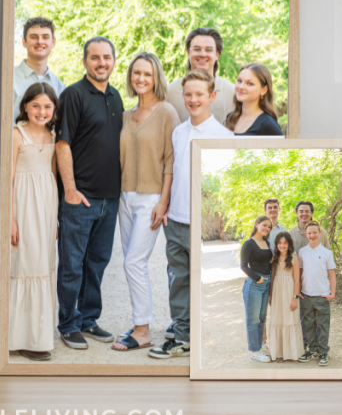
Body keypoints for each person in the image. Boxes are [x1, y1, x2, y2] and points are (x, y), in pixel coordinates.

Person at [150, 69, 234, 359]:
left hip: (201, 224)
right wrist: (163, 204)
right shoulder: (179, 131)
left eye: (200, 94)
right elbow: (171, 171)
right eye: (188, 94)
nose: (193, 99)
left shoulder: (223, 136)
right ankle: (183, 337)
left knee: (204, 282)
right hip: (176, 221)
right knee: (178, 281)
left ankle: (208, 336)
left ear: (211, 96)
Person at [55, 36, 123, 350]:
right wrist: (69, 190)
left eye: (106, 57)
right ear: (85, 62)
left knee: (97, 262)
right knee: (72, 264)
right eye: (94, 58)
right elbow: (63, 144)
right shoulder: (73, 95)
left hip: (110, 198)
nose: (101, 63)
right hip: (80, 198)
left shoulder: (116, 97)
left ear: (113, 60)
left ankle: (88, 319)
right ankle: (68, 323)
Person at [112, 52, 179, 352]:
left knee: (133, 262)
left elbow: (171, 160)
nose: (140, 78)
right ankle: (140, 323)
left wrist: (163, 201)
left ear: (156, 78)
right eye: (136, 73)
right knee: (131, 263)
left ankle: (142, 330)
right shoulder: (126, 115)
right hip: (125, 197)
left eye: (147, 74)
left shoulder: (167, 112)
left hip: (151, 197)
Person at [8, 83, 60, 361]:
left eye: (47, 106)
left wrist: (56, 217)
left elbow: (52, 174)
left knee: (44, 265)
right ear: (25, 106)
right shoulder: (17, 134)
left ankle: (40, 333)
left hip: (46, 205)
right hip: (23, 203)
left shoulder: (53, 134)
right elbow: (9, 177)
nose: (41, 111)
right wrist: (10, 219)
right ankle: (21, 337)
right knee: (25, 264)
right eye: (36, 105)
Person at [165, 27, 236, 124]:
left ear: (217, 54)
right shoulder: (169, 93)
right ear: (188, 53)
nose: (203, 54)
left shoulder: (233, 94)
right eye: (197, 49)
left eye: (208, 50)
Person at [297, 221, 336, 366]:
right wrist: (299, 291)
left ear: (320, 233)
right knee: (308, 325)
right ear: (306, 235)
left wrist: (332, 294)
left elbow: (332, 275)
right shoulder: (302, 252)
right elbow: (300, 273)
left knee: (323, 326)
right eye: (309, 233)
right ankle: (312, 350)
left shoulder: (327, 253)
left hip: (322, 295)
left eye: (314, 232)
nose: (312, 235)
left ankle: (323, 352)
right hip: (306, 295)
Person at [13, 16, 65, 123]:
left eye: (45, 37)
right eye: (33, 37)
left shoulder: (59, 86)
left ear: (53, 42)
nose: (40, 41)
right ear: (24, 42)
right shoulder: (9, 79)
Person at [240, 215, 274, 362]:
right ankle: (254, 350)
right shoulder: (249, 243)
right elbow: (243, 265)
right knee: (253, 319)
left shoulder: (266, 242)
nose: (266, 228)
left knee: (261, 318)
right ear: (257, 224)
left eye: (269, 227)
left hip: (266, 283)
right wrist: (258, 278)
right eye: (264, 225)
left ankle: (259, 346)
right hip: (255, 284)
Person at [266, 232, 304, 362]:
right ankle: (277, 351)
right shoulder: (274, 258)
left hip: (289, 291)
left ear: (289, 244)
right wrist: (271, 296)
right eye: (280, 243)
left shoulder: (294, 257)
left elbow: (297, 280)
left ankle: (292, 353)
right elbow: (272, 278)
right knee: (277, 318)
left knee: (289, 318)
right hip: (277, 291)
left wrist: (295, 297)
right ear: (276, 244)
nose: (282, 245)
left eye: (285, 243)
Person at [225, 63, 283, 136]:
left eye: (249, 83)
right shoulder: (231, 117)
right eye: (239, 81)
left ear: (264, 90)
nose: (241, 87)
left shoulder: (268, 124)